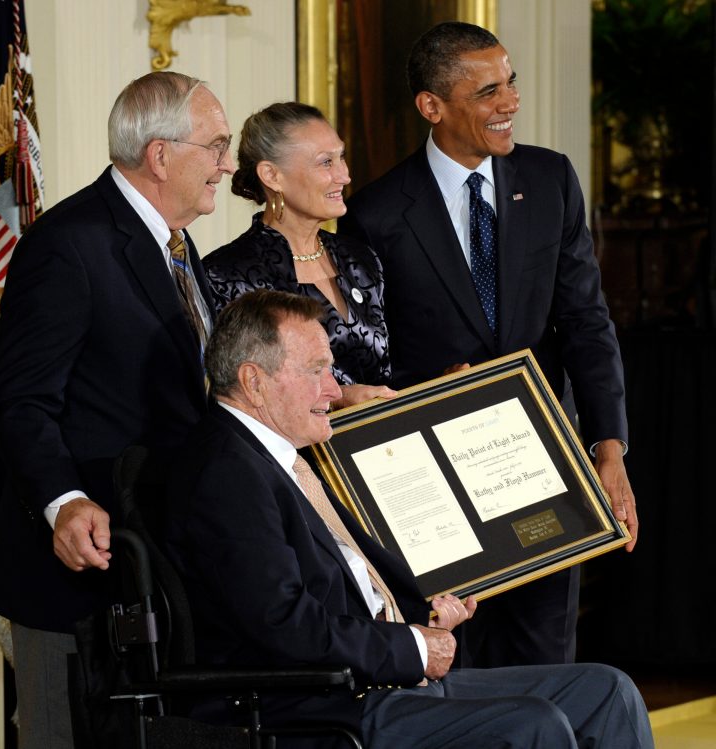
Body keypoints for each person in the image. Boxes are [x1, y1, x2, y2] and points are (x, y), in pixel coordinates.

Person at [161, 289, 653, 749]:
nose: (334, 389)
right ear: (254, 381)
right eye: (317, 371)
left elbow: (347, 585)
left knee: (607, 690)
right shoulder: (225, 472)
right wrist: (413, 648)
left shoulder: (277, 456)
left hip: (376, 682)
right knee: (534, 725)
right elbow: (285, 625)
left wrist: (423, 616)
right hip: (318, 707)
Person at [337, 21, 639, 669]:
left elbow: (587, 322)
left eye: (512, 82)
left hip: (543, 470)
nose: (510, 102)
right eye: (488, 90)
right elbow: (367, 360)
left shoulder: (551, 179)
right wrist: (426, 390)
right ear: (432, 106)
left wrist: (608, 448)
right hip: (435, 486)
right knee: (457, 672)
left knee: (545, 665)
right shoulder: (377, 214)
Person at [0, 71, 234, 749]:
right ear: (161, 155)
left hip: (157, 572)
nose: (229, 163)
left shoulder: (177, 246)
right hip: (79, 581)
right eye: (216, 145)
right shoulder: (70, 244)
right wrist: (62, 499)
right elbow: (21, 397)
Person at [203, 101, 395, 408]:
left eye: (341, 157)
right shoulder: (225, 274)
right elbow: (239, 397)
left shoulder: (359, 258)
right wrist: (336, 400)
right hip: (289, 456)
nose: (344, 175)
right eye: (325, 163)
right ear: (272, 175)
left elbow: (387, 373)